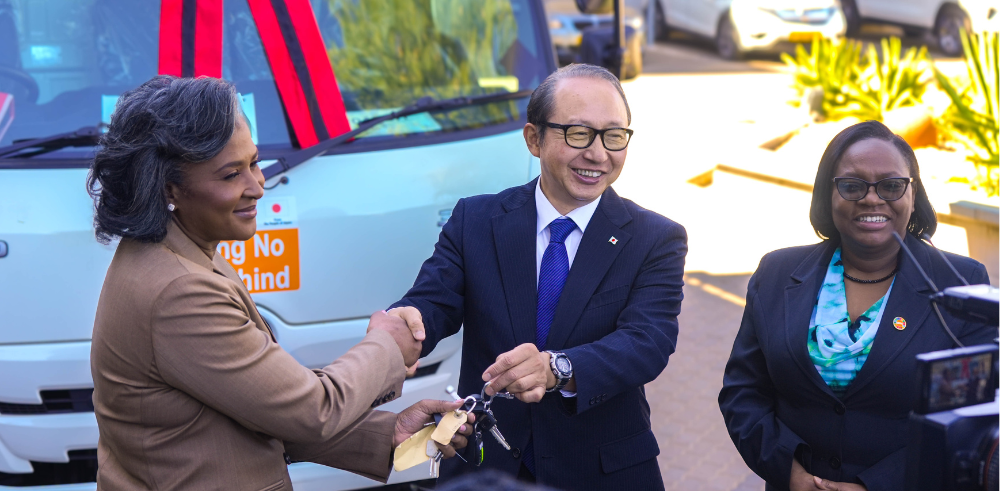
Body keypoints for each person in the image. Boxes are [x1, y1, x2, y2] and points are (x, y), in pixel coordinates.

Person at [87, 76, 470, 490]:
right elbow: (311, 410)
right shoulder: (178, 290)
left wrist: (386, 433)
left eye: (254, 163)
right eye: (232, 174)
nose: (257, 186)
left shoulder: (177, 253)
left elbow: (260, 408)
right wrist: (388, 342)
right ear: (170, 188)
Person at [389, 64, 688, 490]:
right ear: (534, 138)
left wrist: (558, 368)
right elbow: (431, 303)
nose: (599, 154)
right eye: (578, 133)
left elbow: (647, 341)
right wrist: (402, 326)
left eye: (614, 135)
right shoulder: (476, 220)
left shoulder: (655, 238)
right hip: (485, 465)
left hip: (604, 471)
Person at [718, 120, 995, 491]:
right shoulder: (777, 273)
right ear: (827, 195)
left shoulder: (960, 282)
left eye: (892, 185)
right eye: (852, 185)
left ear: (914, 196)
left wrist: (879, 486)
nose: (871, 198)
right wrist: (791, 473)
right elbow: (743, 391)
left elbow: (970, 418)